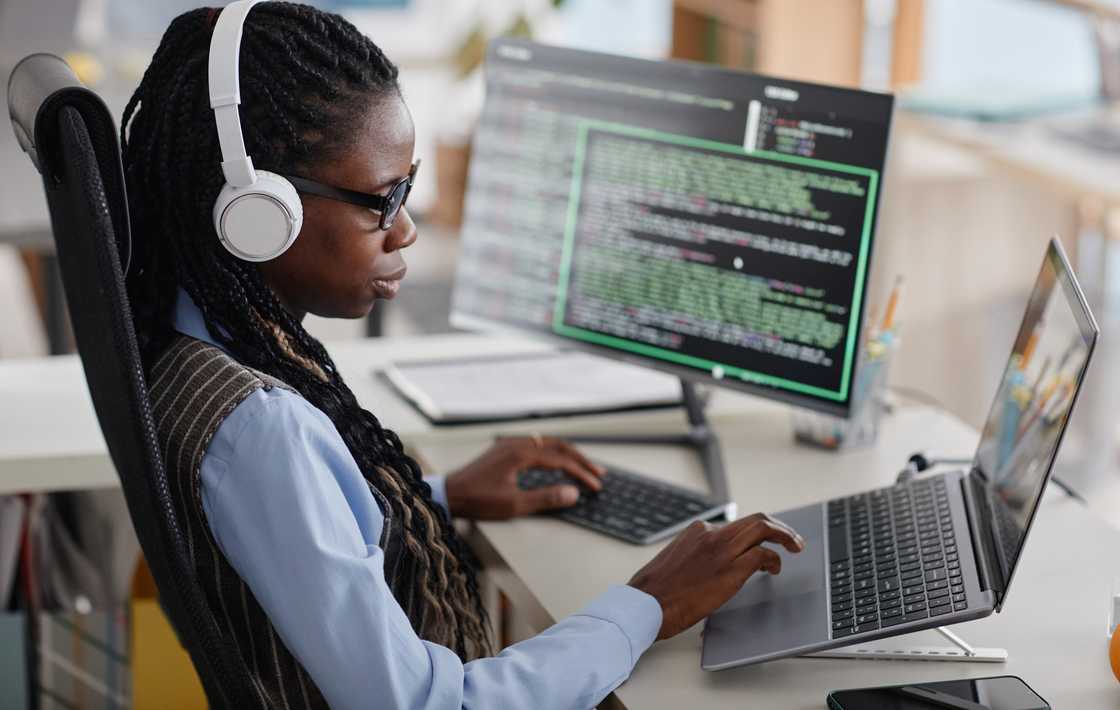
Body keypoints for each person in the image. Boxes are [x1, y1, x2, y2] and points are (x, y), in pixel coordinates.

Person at [121, 3, 805, 708]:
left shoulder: (189, 340)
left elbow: (299, 541)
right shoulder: (263, 431)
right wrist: (647, 604)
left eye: (408, 190)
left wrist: (430, 502)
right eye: (382, 201)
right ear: (258, 211)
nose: (408, 230)